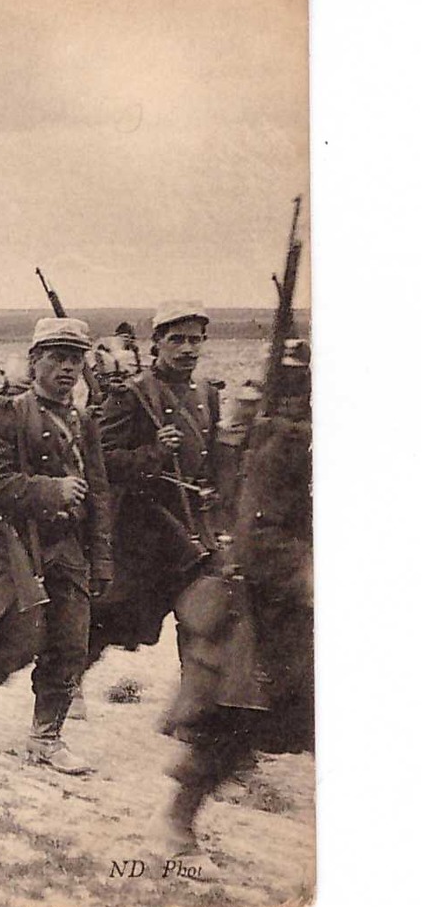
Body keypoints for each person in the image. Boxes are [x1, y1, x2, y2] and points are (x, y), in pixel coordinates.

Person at [160, 340, 312, 860]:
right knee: (239, 716)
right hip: (277, 608)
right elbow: (259, 533)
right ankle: (181, 814)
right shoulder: (287, 443)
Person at [0, 317, 112, 775]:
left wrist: (101, 556)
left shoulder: (83, 422)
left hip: (68, 547)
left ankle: (46, 738)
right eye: (57, 357)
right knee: (20, 640)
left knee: (69, 644)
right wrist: (50, 490)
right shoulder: (7, 413)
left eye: (76, 359)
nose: (68, 368)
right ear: (34, 361)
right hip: (18, 545)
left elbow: (99, 493)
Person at [84, 303, 226, 715]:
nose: (187, 348)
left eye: (195, 339)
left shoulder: (207, 396)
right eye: (177, 339)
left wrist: (215, 492)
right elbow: (102, 459)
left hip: (190, 525)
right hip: (144, 528)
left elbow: (212, 456)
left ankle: (192, 709)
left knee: (204, 616)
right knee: (114, 618)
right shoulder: (132, 394)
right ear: (157, 343)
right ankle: (68, 681)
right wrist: (153, 453)